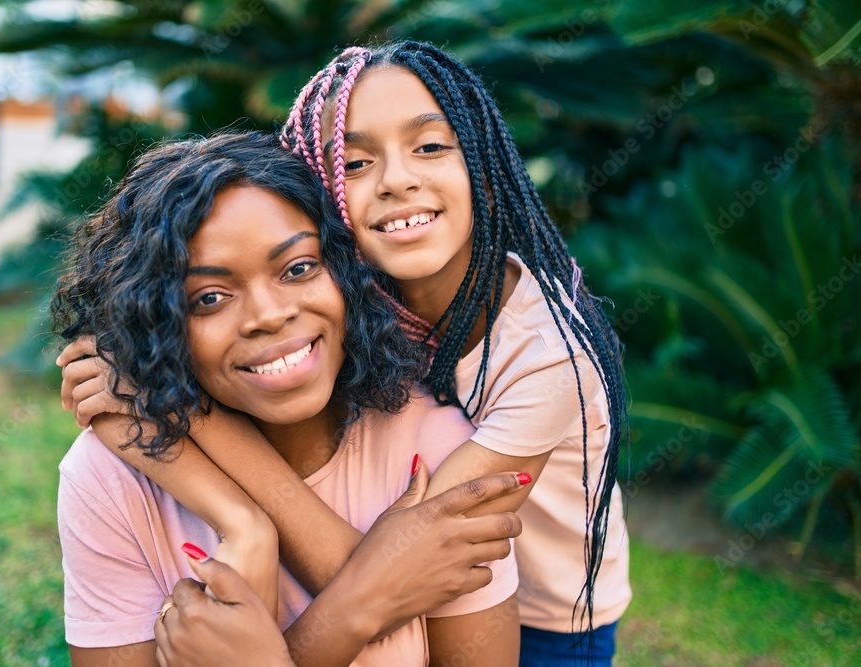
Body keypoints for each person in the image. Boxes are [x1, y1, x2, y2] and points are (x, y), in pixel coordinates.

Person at [64, 40, 631, 665]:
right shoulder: (359, 290)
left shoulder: (551, 360)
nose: (397, 181)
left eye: (431, 146)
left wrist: (185, 412)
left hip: (548, 621)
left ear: (486, 165)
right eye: (355, 163)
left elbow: (399, 568)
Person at [53, 131, 528, 667]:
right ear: (157, 325)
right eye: (209, 298)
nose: (269, 315)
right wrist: (246, 527)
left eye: (298, 268)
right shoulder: (110, 481)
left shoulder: (434, 451)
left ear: (348, 273)